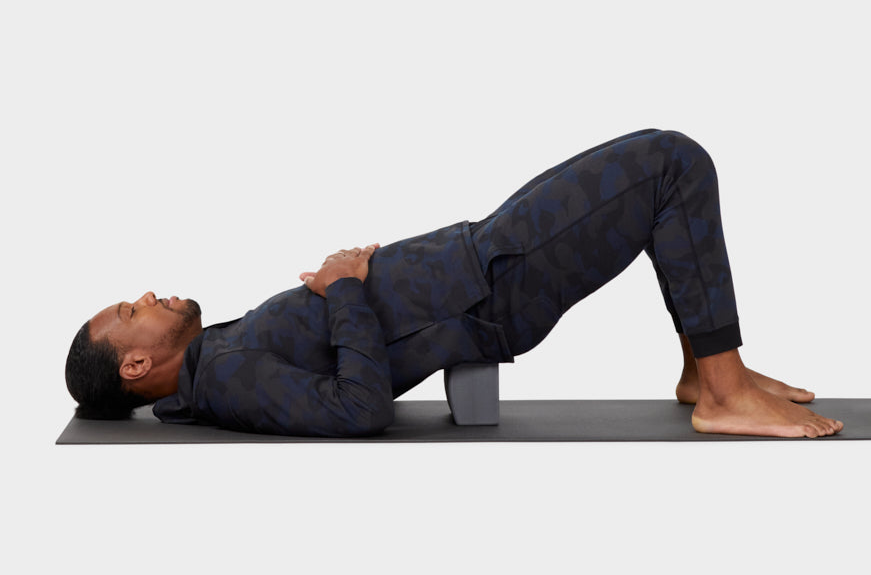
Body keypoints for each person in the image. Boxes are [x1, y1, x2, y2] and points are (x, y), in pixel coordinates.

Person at [65, 129, 844, 438]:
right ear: (135, 363)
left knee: (667, 169)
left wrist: (346, 286)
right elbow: (358, 409)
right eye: (132, 310)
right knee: (670, 164)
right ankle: (721, 393)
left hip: (481, 257)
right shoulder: (226, 380)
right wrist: (344, 286)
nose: (148, 295)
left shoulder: (217, 361)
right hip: (491, 288)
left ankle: (706, 373)